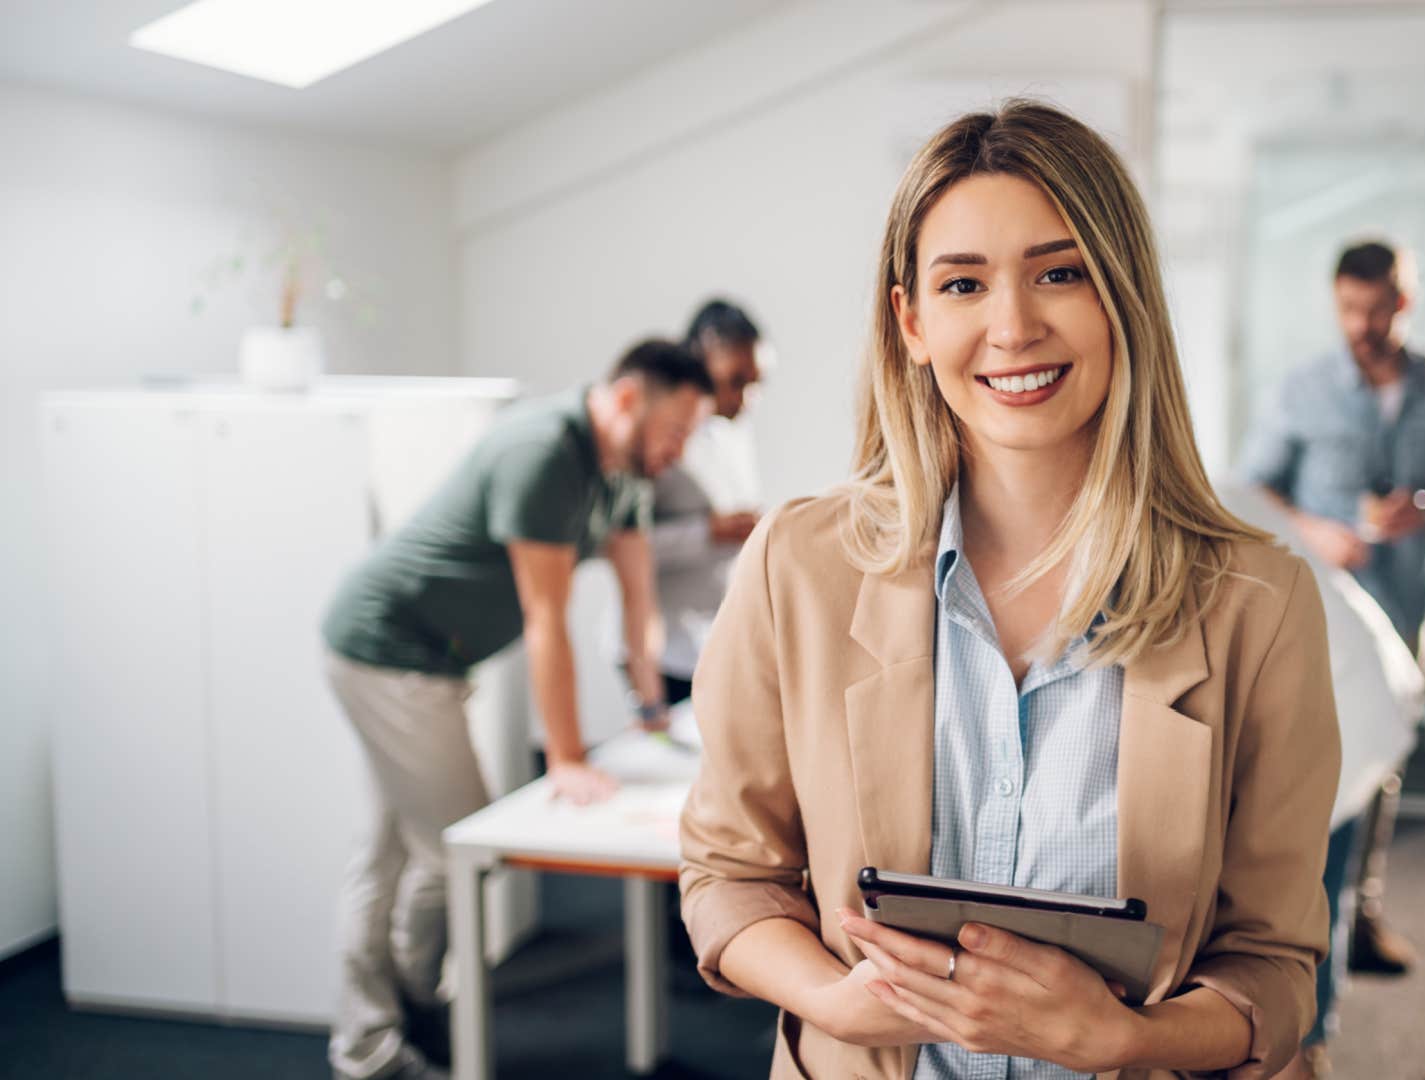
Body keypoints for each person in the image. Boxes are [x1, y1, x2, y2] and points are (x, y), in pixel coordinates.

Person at [678, 101, 1340, 1079]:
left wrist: (1127, 1038)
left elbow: (1276, 967)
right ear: (911, 321)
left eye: (1060, 273)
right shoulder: (798, 566)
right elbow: (731, 875)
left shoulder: (1259, 602)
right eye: (963, 283)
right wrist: (836, 1002)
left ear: (1124, 296)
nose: (1013, 326)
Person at [319, 340, 712, 1080]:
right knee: (453, 847)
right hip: (387, 651)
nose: (679, 449)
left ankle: (370, 1042)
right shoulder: (544, 452)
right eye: (676, 430)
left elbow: (638, 599)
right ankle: (403, 1019)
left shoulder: (625, 472)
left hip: (431, 659)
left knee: (386, 850)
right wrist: (563, 757)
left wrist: (654, 709)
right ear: (626, 400)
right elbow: (546, 618)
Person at [1242, 239, 1425, 980]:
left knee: (1382, 766)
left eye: (1376, 309)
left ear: (1403, 303)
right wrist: (1316, 530)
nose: (1361, 323)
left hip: (1406, 610)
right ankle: (1294, 928)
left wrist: (1422, 505)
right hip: (1320, 619)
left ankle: (1362, 917)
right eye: (1349, 308)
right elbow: (1252, 489)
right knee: (1308, 767)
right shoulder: (1301, 388)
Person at [1221, 485, 1424, 1080]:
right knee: (1314, 898)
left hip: (1344, 708)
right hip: (1362, 680)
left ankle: (1306, 1049)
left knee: (1297, 921)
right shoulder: (1220, 482)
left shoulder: (1181, 517)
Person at [645, 299, 765, 705]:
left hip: (711, 641)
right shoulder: (661, 433)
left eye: (755, 383)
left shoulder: (735, 429)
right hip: (663, 646)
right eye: (736, 380)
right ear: (703, 354)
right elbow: (619, 542)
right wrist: (707, 533)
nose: (746, 399)